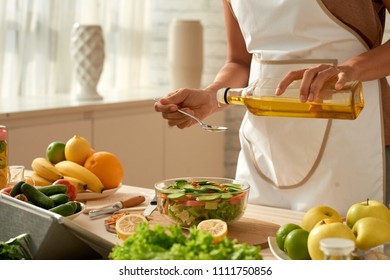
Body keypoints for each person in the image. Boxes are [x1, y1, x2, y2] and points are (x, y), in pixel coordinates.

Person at [154, 0, 390, 216]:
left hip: (349, 143)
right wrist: (211, 95)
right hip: (264, 148)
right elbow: (239, 61)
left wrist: (351, 68)